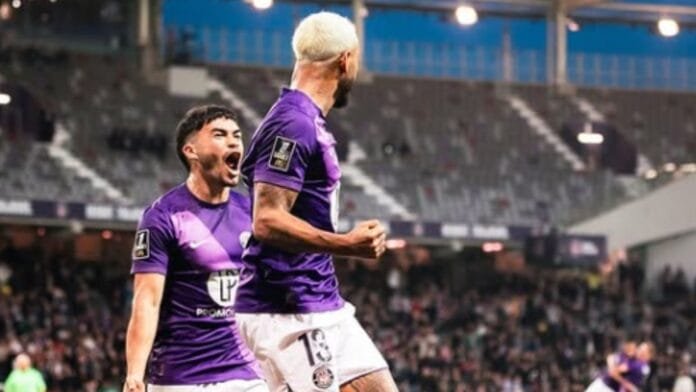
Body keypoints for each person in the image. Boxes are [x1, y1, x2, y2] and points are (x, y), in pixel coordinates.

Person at [236, 11, 398, 392]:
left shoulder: (305, 120)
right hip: (288, 309)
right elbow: (267, 220)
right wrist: (347, 244)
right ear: (345, 60)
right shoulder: (293, 123)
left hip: (319, 301)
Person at [123, 105, 267, 392]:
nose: (233, 141)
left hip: (248, 374)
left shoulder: (252, 211)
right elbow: (147, 301)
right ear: (191, 151)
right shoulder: (163, 216)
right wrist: (135, 373)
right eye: (219, 134)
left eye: (237, 135)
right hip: (181, 377)